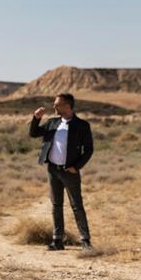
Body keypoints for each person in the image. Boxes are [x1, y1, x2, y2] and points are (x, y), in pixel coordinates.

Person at [29, 93, 94, 250]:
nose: (54, 107)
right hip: (53, 169)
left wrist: (76, 167)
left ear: (68, 106)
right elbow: (34, 133)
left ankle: (85, 240)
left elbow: (89, 149)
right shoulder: (52, 123)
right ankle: (57, 240)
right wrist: (36, 118)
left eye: (57, 104)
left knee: (77, 205)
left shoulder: (82, 125)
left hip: (69, 171)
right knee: (56, 205)